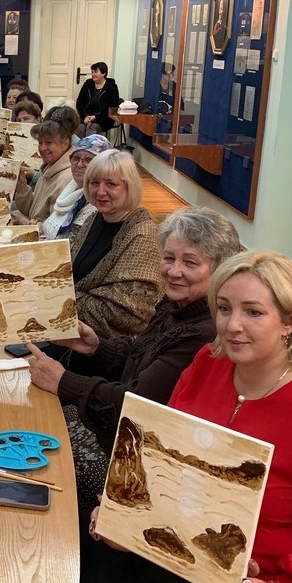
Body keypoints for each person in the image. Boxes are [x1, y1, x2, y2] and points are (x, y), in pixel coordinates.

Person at [82, 250, 292, 583]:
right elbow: (160, 458)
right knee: (61, 559)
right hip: (167, 549)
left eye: (253, 312)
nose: (232, 325)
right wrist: (124, 517)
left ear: (289, 322)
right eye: (224, 308)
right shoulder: (207, 362)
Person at [29, 207, 241, 510]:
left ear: (220, 269)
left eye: (190, 262)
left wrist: (63, 381)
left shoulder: (204, 333)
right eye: (169, 258)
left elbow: (136, 407)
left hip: (133, 455)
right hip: (115, 431)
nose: (174, 271)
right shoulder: (175, 305)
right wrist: (96, 347)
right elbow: (143, 362)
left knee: (39, 457)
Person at [67, 148, 162, 338]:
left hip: (109, 346)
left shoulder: (144, 237)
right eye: (95, 183)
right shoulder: (94, 219)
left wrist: (64, 298)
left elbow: (129, 314)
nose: (100, 192)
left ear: (129, 187)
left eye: (111, 184)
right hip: (73, 328)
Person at [40, 134, 112, 240]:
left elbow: (72, 244)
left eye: (88, 160)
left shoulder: (97, 203)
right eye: (76, 158)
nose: (79, 164)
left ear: (103, 166)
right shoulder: (70, 191)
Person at [10, 118, 73, 227]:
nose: (42, 148)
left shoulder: (67, 178)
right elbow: (31, 210)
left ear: (65, 144)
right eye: (40, 143)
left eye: (49, 143)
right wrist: (22, 185)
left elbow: (54, 228)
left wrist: (22, 221)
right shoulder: (49, 169)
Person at [75, 62, 120, 137]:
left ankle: (89, 145)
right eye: (92, 72)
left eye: (96, 72)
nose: (93, 74)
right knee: (80, 128)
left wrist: (95, 116)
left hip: (104, 118)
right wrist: (85, 116)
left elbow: (112, 106)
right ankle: (81, 145)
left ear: (103, 73)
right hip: (86, 116)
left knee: (92, 129)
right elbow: (80, 102)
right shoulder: (88, 84)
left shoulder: (112, 86)